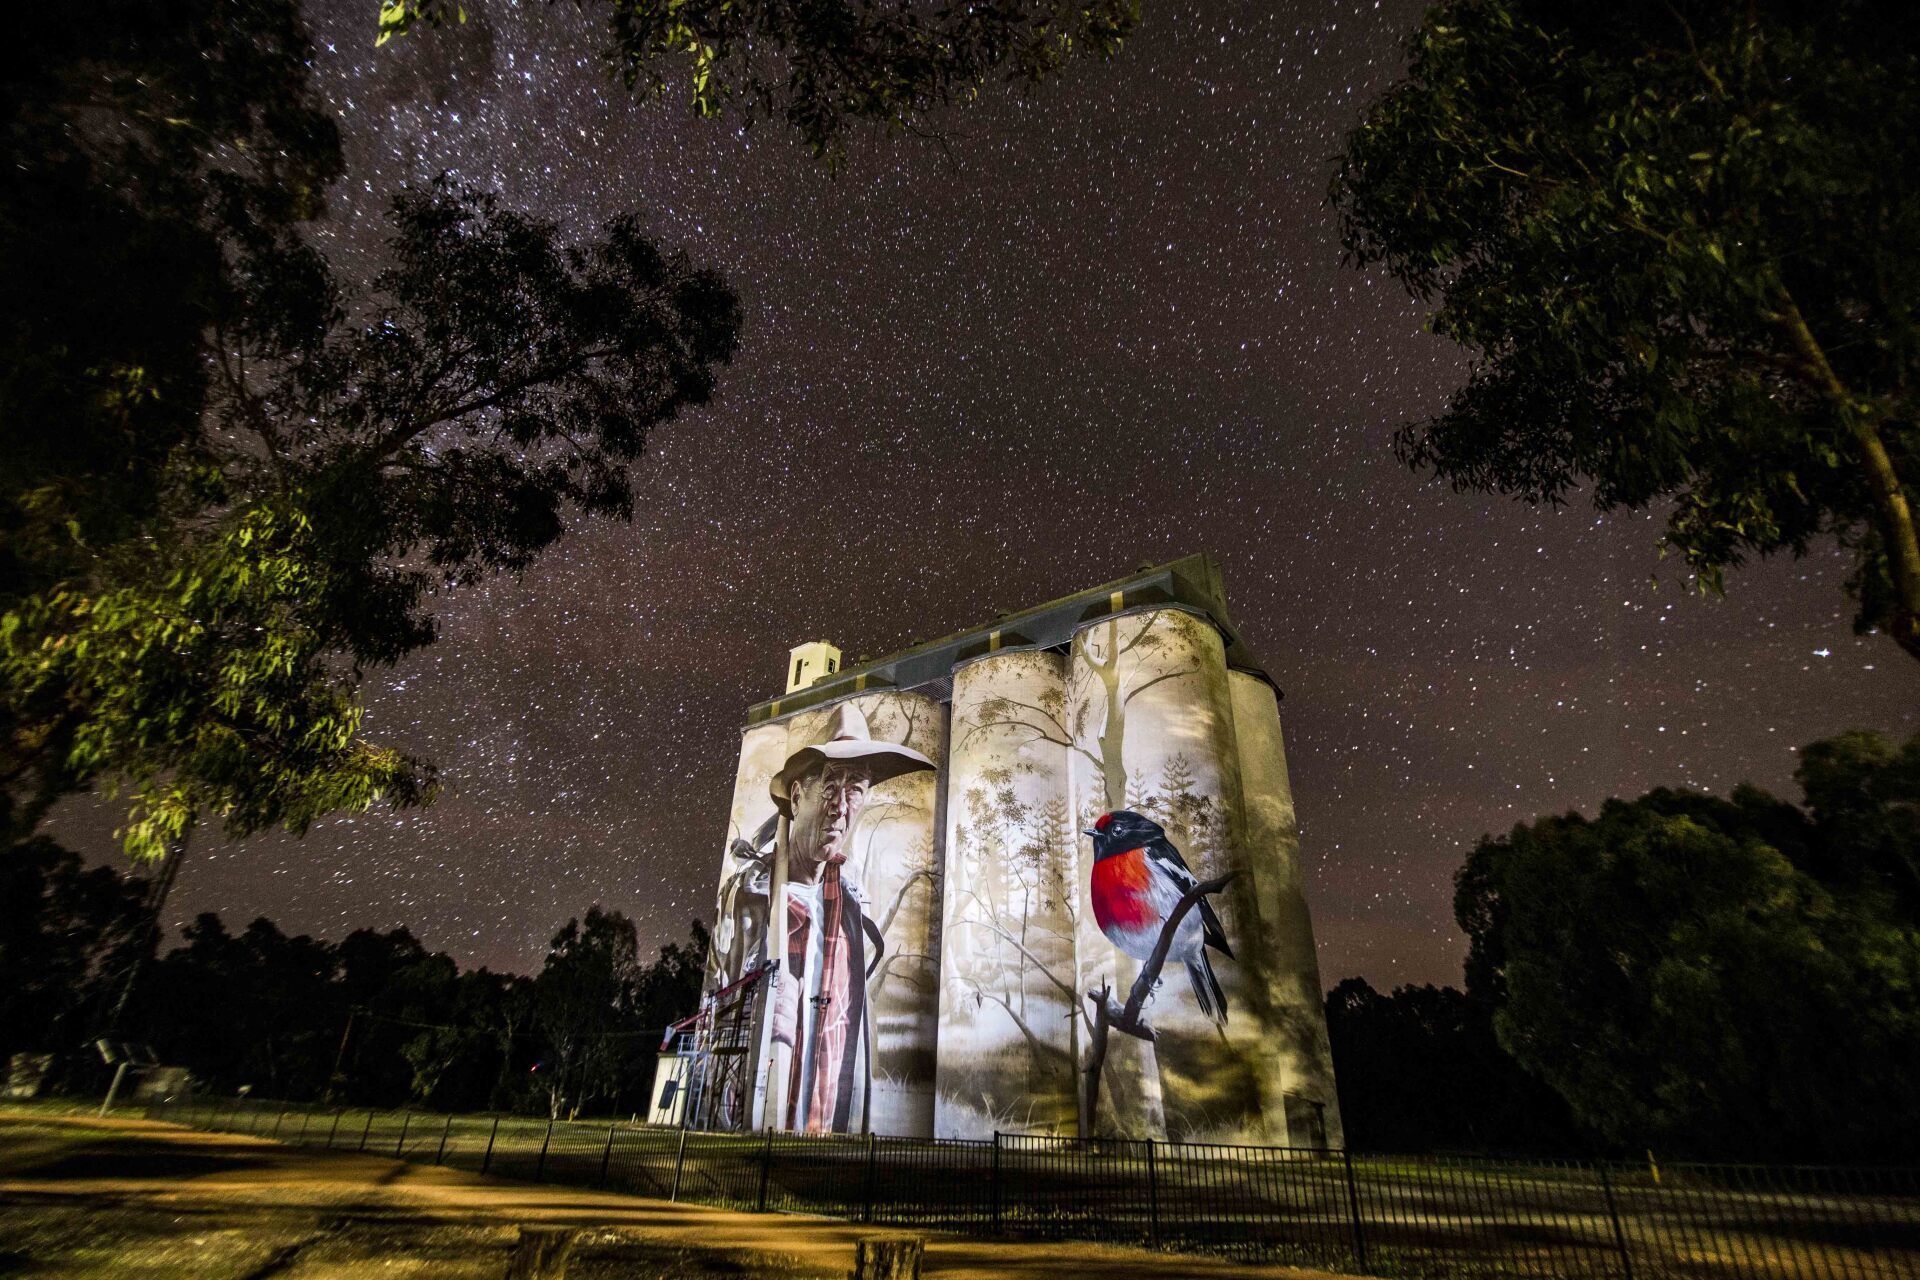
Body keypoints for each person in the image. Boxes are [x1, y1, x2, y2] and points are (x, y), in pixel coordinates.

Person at [767, 702, 933, 1133]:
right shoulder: (757, 898)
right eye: (829, 786)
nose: (841, 806)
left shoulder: (850, 902)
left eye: (855, 789)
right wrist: (764, 1007)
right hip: (772, 1114)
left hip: (834, 1126)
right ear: (798, 794)